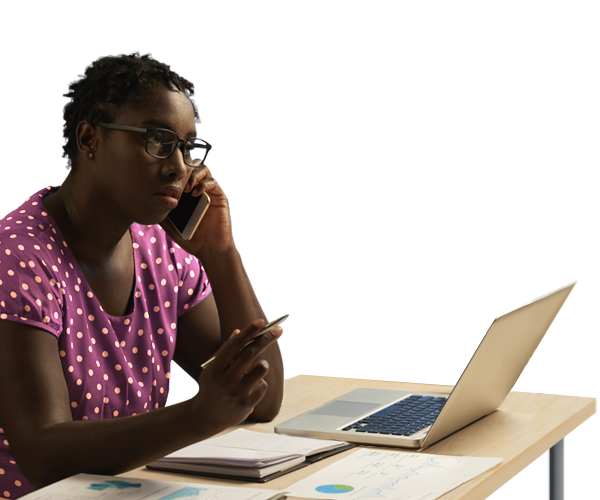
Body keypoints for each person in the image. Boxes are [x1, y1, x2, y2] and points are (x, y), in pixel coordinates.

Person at [0, 51, 284, 499]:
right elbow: (42, 454)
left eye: (188, 147)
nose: (178, 167)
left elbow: (262, 400)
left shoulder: (161, 251)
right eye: (157, 140)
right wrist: (199, 416)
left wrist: (219, 251)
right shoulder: (17, 259)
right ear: (90, 139)